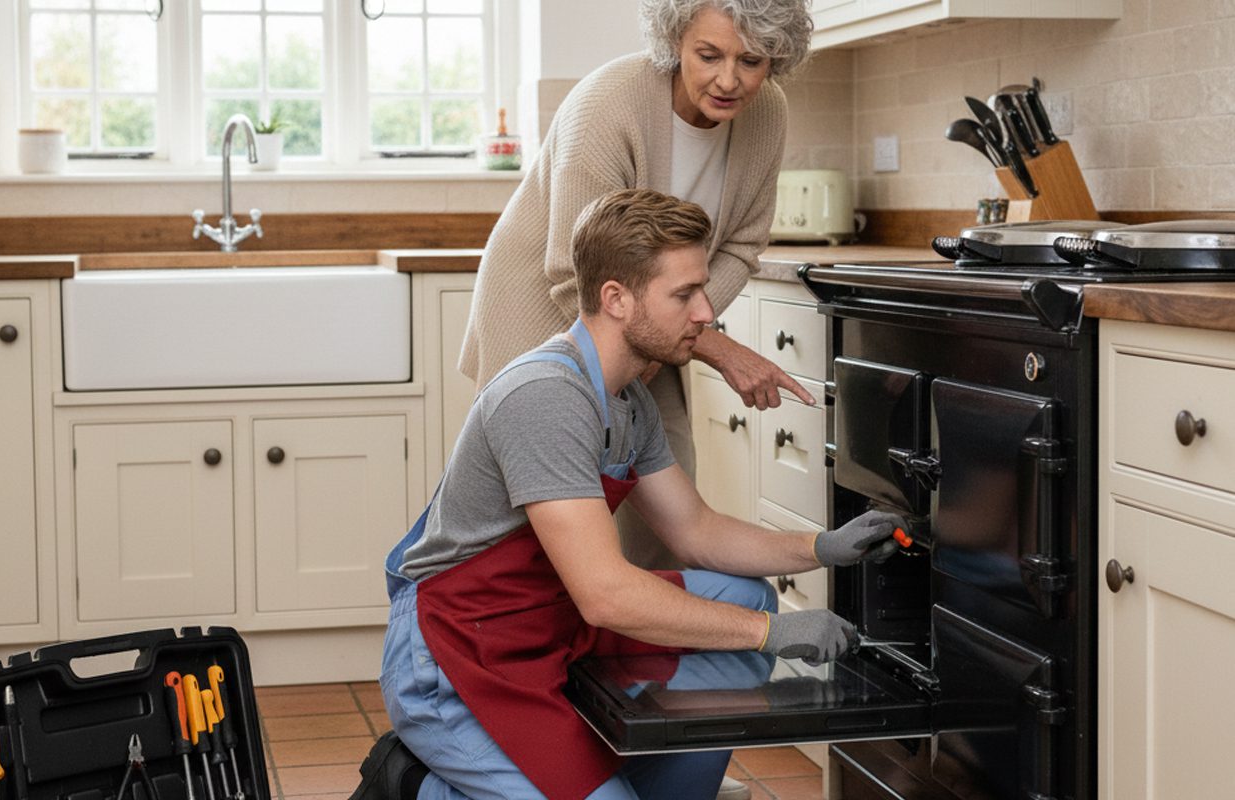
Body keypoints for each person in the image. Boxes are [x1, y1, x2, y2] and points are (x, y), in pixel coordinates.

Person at [358, 190, 905, 800]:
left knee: (741, 593)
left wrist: (822, 546)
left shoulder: (629, 402)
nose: (706, 313)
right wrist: (769, 635)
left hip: (548, 616)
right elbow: (605, 594)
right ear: (615, 298)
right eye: (684, 294)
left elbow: (696, 531)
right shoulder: (545, 396)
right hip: (458, 650)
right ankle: (421, 788)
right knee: (746, 619)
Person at [459, 0, 817, 578]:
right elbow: (578, 273)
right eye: (709, 55)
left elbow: (741, 247)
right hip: (548, 311)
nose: (729, 80)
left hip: (657, 324)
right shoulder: (608, 102)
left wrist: (681, 329)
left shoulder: (767, 113)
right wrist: (719, 347)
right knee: (540, 528)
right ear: (676, 41)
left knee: (665, 517)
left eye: (751, 61)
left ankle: (646, 661)